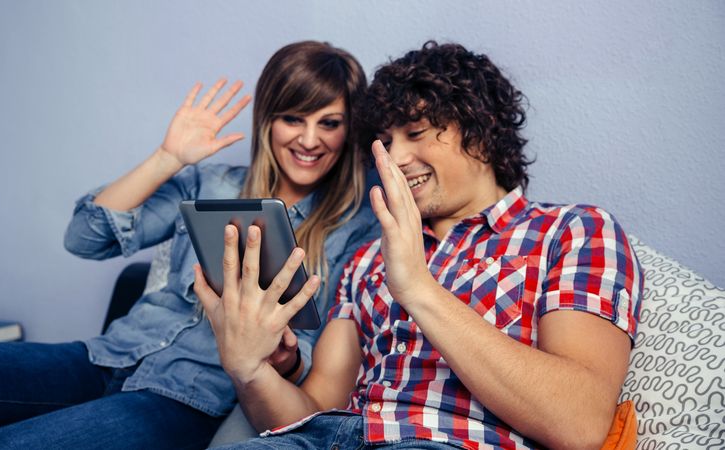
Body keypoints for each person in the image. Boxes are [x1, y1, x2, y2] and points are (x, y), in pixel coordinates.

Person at [197, 41, 643, 449]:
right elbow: (311, 414)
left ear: (480, 128)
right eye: (386, 142)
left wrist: (418, 287)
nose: (396, 157)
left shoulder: (572, 230)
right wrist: (249, 368)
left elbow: (578, 424)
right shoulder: (367, 258)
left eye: (415, 132)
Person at [0, 41, 380, 449]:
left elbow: (311, 361)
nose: (309, 140)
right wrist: (167, 157)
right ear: (268, 119)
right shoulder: (210, 183)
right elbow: (84, 238)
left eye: (329, 123)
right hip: (107, 355)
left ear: (349, 131)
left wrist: (281, 359)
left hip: (187, 397)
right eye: (293, 118)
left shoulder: (356, 228)